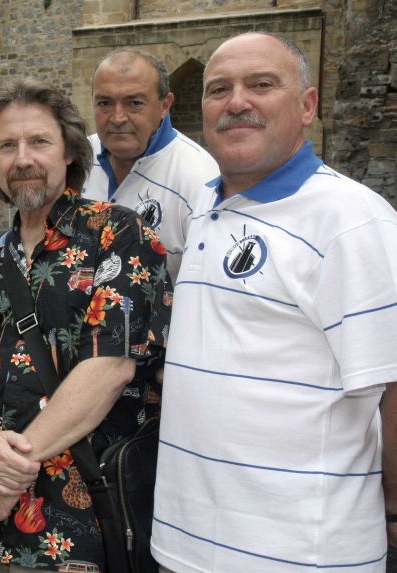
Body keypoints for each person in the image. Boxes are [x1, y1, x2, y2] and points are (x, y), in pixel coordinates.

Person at [150, 32, 397, 573]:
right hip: (184, 546)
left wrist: (393, 511)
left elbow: (393, 384)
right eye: (219, 89)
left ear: (307, 106)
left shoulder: (352, 220)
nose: (237, 101)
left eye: (261, 85)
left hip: (301, 554)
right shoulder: (204, 203)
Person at [0, 78, 169, 570]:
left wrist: (5, 476)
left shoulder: (118, 234)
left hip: (81, 522)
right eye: (6, 146)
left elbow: (110, 368)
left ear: (69, 153)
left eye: (38, 142)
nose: (22, 158)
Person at [82, 47, 218, 282]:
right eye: (105, 103)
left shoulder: (198, 178)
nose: (117, 118)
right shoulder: (77, 158)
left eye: (134, 103)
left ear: (165, 105)